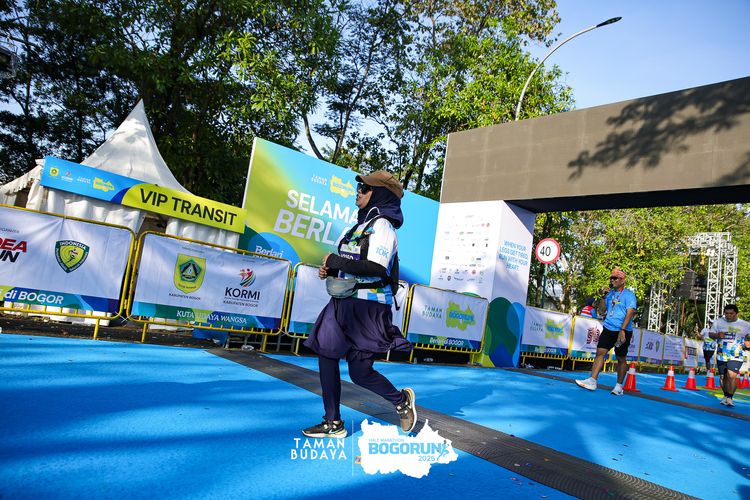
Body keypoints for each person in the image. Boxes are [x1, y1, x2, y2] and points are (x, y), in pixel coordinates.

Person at [302, 170, 416, 438]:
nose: (358, 192)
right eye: (359, 187)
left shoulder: (383, 227)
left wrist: (336, 261)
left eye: (364, 188)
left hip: (369, 308)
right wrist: (332, 270)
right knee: (326, 354)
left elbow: (376, 267)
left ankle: (401, 401)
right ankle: (333, 422)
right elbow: (350, 263)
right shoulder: (356, 227)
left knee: (359, 372)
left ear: (379, 194)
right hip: (342, 302)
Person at [575, 267, 637, 396]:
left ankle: (619, 386)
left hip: (623, 330)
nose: (612, 280)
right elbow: (602, 311)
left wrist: (622, 330)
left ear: (622, 280)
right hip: (608, 328)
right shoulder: (610, 294)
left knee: (621, 358)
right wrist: (603, 297)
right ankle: (592, 381)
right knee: (600, 353)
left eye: (615, 278)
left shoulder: (629, 295)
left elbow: (630, 313)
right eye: (611, 278)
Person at [708, 304, 750, 407]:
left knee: (732, 375)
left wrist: (748, 343)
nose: (728, 315)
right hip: (722, 353)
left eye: (731, 313)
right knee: (723, 377)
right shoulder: (718, 322)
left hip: (737, 353)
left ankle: (730, 397)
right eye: (726, 313)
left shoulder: (745, 324)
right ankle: (726, 395)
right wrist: (717, 335)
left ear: (736, 313)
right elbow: (710, 334)